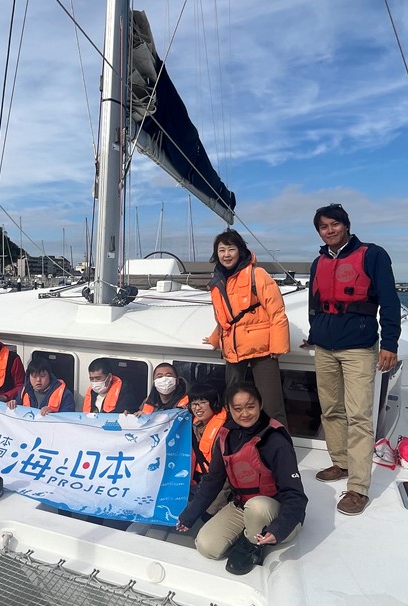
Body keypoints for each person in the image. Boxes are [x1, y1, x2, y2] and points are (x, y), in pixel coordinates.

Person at [306, 203, 401, 516]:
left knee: (359, 415)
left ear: (346, 225)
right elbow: (314, 303)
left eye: (334, 224)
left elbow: (390, 301)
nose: (329, 230)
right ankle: (341, 462)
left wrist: (389, 344)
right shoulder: (318, 262)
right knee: (331, 409)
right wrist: (314, 332)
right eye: (323, 227)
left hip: (359, 346)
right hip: (324, 346)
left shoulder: (373, 255)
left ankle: (358, 488)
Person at [176, 383, 307, 576]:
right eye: (237, 409)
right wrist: (189, 515)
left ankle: (252, 545)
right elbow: (213, 480)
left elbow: (296, 495)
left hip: (276, 512)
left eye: (250, 406)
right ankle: (247, 532)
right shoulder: (226, 436)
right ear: (228, 409)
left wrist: (280, 528)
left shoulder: (275, 440)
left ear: (260, 404)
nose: (245, 413)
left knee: (257, 506)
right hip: (242, 505)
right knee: (207, 547)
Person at [204, 229, 290, 426]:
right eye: (221, 250)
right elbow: (223, 317)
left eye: (231, 249)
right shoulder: (217, 281)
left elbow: (277, 311)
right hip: (233, 349)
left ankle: (278, 442)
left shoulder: (257, 274)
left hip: (263, 349)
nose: (226, 254)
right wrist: (215, 339)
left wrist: (278, 346)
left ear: (241, 251)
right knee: (233, 402)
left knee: (271, 404)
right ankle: (238, 439)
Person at [187, 383, 231, 520]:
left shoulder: (225, 431)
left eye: (203, 402)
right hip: (197, 482)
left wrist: (213, 506)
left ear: (214, 403)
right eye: (194, 403)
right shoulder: (192, 424)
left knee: (208, 516)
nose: (197, 407)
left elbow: (226, 475)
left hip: (218, 486)